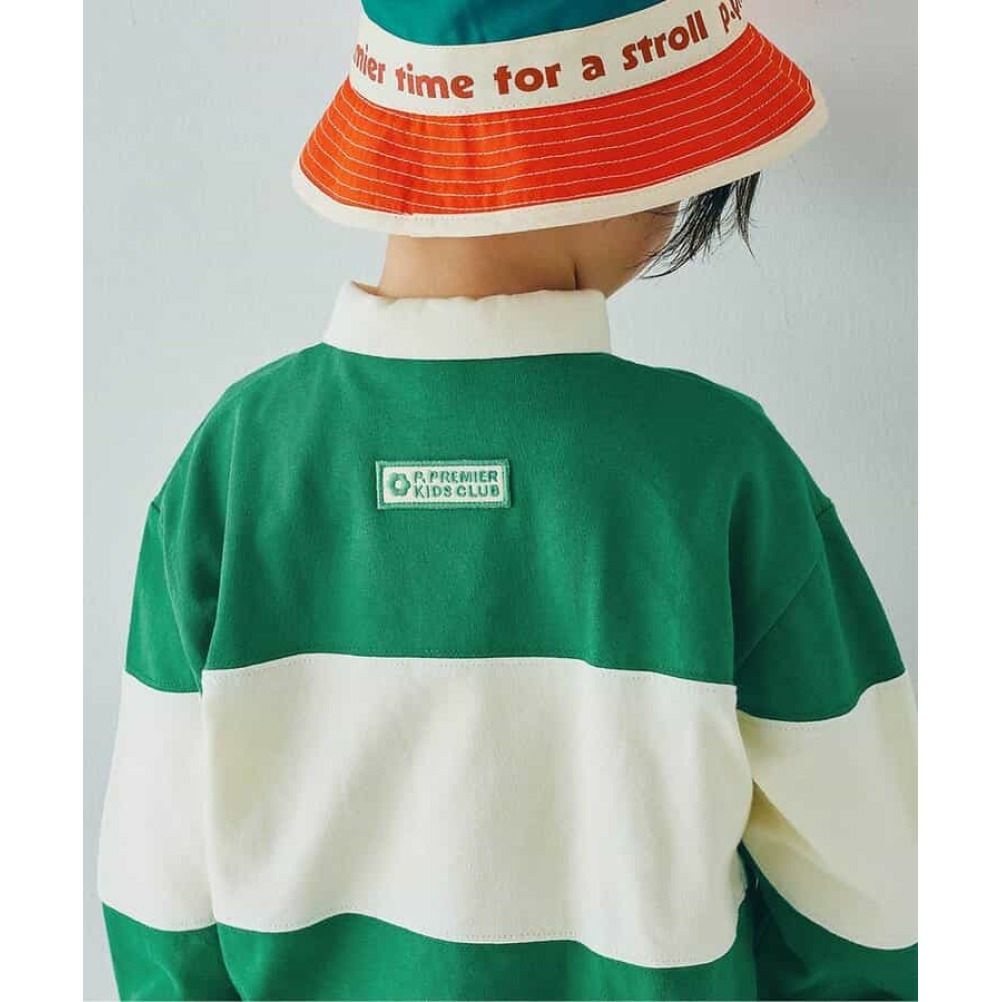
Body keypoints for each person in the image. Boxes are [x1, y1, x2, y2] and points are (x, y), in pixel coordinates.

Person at [96, 1, 918, 999]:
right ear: (617, 156)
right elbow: (872, 902)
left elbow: (160, 910)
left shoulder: (233, 463)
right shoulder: (719, 468)